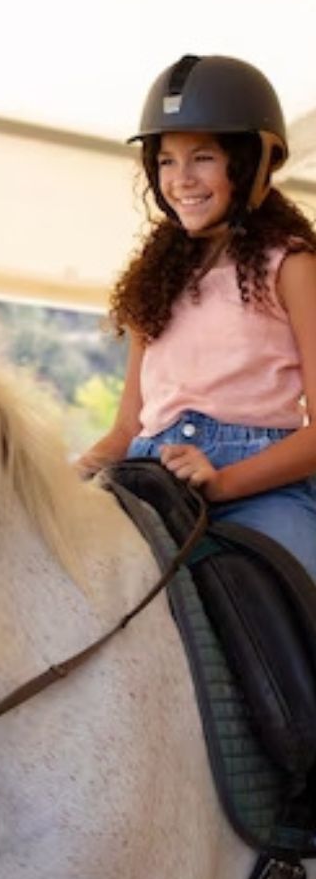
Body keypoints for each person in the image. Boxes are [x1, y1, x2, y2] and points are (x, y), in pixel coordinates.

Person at [76, 54, 316, 574]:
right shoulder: (155, 277)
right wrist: (64, 477)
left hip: (259, 491)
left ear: (253, 161)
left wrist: (224, 481)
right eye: (166, 161)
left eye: (202, 157)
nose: (181, 179)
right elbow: (125, 431)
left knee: (300, 605)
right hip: (147, 476)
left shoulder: (292, 265)